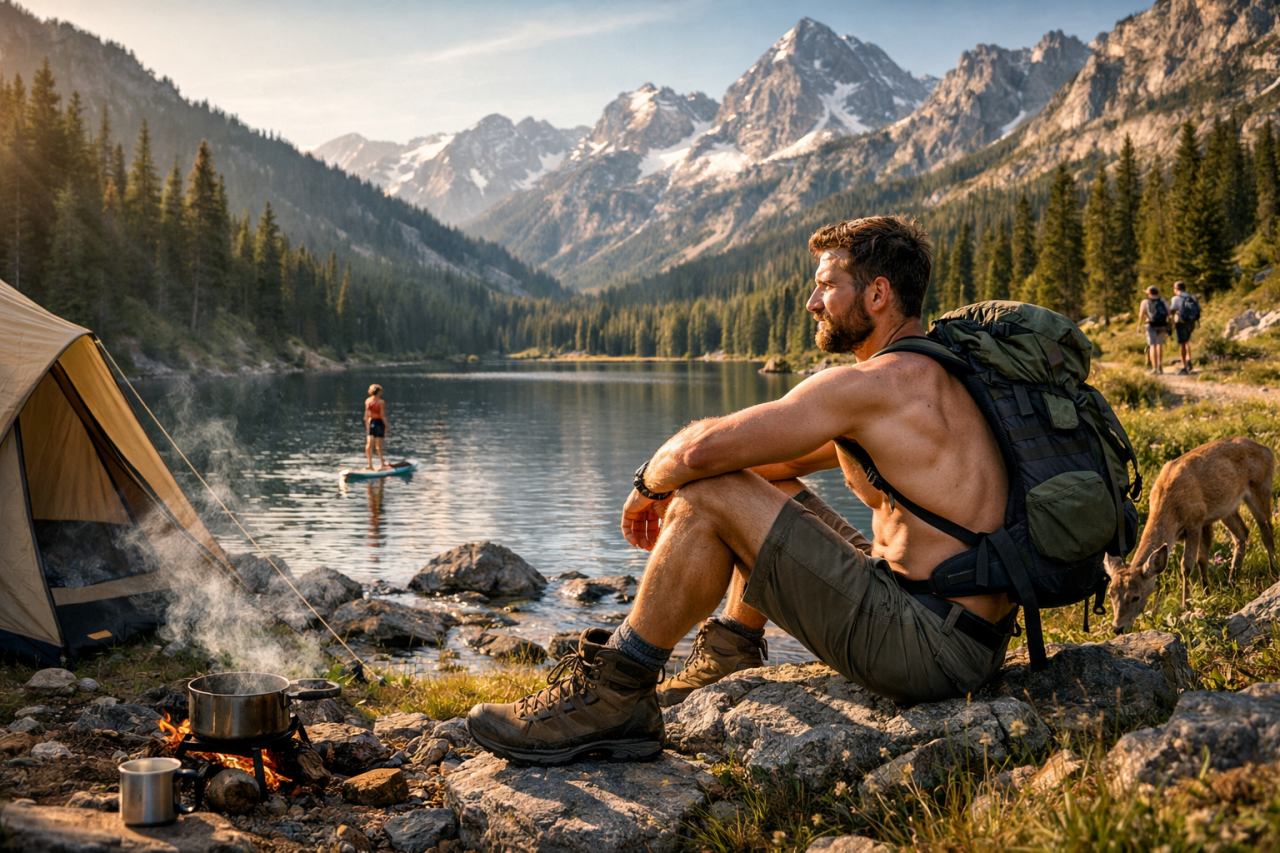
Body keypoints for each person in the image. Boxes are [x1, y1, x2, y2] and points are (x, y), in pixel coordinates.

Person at [466, 216, 1018, 766]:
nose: (812, 302)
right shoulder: (939, 376)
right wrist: (696, 474)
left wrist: (648, 484)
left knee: (710, 492)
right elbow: (771, 461)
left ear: (878, 294)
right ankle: (731, 650)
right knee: (753, 477)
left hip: (927, 647)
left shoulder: (873, 384)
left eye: (827, 286)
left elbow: (702, 456)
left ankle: (614, 692)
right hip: (969, 635)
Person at [1138, 285, 1171, 374]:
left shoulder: (1145, 302)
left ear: (1149, 292)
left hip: (1150, 324)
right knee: (1159, 345)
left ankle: (1154, 368)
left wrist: (1139, 325)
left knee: (1152, 345)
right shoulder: (1163, 300)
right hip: (1162, 325)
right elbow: (1169, 312)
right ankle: (1160, 366)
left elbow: (1141, 314)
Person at [1170, 281, 1199, 375]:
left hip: (1181, 322)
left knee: (1181, 343)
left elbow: (1172, 310)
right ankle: (1188, 360)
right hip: (1191, 322)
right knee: (1187, 341)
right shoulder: (1191, 297)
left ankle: (1183, 366)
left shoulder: (1175, 298)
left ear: (1176, 289)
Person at [363, 384, 390, 471]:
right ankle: (382, 465)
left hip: (371, 423)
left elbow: (366, 416)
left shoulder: (367, 401)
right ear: (379, 392)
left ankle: (369, 464)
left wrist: (367, 426)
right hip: (379, 423)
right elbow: (382, 416)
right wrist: (387, 427)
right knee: (379, 445)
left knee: (369, 444)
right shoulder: (381, 402)